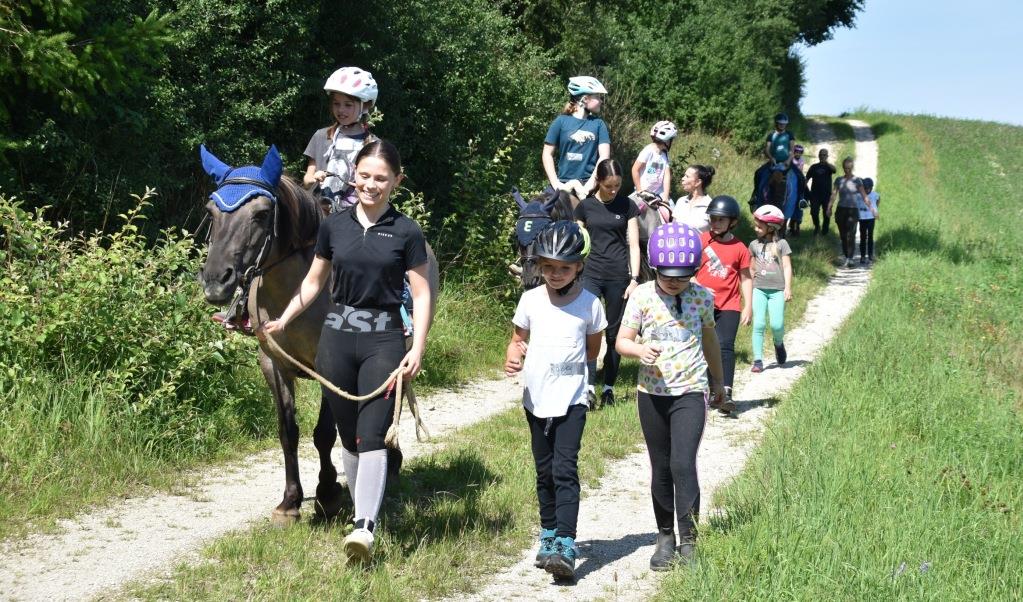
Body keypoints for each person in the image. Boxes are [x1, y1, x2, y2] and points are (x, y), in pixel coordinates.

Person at [260, 140, 432, 563]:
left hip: (383, 339)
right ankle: (361, 510)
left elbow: (422, 294)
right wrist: (284, 317)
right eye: (365, 175)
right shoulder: (333, 226)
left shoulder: (407, 231)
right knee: (349, 438)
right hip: (337, 340)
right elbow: (315, 282)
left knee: (372, 434)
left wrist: (418, 348)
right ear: (354, 174)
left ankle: (364, 527)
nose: (371, 185)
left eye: (381, 178)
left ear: (396, 181)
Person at [616, 222, 725, 569]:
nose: (674, 281)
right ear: (654, 268)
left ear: (694, 271)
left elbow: (710, 341)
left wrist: (719, 382)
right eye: (667, 275)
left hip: (691, 391)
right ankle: (665, 538)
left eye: (682, 275)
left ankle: (689, 541)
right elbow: (621, 342)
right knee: (660, 467)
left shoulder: (703, 297)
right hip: (652, 394)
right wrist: (639, 350)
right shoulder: (642, 296)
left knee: (682, 463)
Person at [505, 221, 606, 581]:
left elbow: (592, 350)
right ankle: (547, 533)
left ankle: (565, 542)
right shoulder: (530, 300)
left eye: (564, 267)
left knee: (565, 469)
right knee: (543, 470)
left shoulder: (590, 305)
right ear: (539, 266)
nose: (555, 274)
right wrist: (513, 356)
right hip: (535, 398)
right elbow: (518, 339)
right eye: (548, 267)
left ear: (579, 265)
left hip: (572, 399)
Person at [574, 159, 640, 408]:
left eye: (618, 185)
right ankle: (588, 386)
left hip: (618, 276)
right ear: (599, 182)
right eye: (609, 185)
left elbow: (633, 244)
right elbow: (575, 243)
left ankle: (609, 387)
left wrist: (634, 279)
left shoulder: (628, 206)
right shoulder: (585, 207)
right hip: (590, 274)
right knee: (588, 330)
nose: (613, 190)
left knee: (614, 334)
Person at [693, 195, 751, 414]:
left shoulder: (740, 248)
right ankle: (711, 390)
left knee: (725, 345)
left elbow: (746, 277)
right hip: (702, 305)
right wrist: (695, 283)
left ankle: (726, 392)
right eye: (713, 219)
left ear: (732, 222)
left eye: (720, 220)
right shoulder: (701, 241)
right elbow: (690, 269)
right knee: (705, 347)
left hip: (729, 305)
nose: (715, 223)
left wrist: (748, 306)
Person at [303, 66, 379, 214]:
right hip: (315, 215)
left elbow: (375, 186)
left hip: (350, 218)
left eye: (348, 105)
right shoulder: (321, 136)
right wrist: (313, 178)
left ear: (365, 106)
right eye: (336, 103)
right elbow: (307, 179)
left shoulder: (373, 145)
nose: (341, 110)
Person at [542, 76, 611, 206]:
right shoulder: (560, 122)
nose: (601, 101)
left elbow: (604, 156)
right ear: (585, 99)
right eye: (598, 97)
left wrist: (591, 184)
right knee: (538, 213)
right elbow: (547, 154)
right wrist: (556, 184)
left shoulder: (599, 124)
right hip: (563, 184)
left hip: (589, 185)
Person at [747, 205, 792, 373]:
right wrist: (749, 289)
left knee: (777, 324)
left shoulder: (781, 244)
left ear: (771, 227)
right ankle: (758, 360)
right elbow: (751, 269)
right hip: (759, 288)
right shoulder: (753, 245)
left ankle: (778, 343)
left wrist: (787, 287)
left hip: (777, 290)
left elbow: (786, 266)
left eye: (759, 226)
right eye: (756, 225)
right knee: (758, 324)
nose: (756, 228)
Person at [829, 157, 877, 267]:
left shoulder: (857, 181)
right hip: (841, 210)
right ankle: (847, 256)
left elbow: (865, 196)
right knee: (843, 235)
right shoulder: (839, 180)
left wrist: (872, 209)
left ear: (852, 168)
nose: (848, 171)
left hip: (853, 211)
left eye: (850, 168)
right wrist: (829, 207)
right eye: (846, 168)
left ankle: (850, 258)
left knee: (851, 234)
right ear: (843, 168)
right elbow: (834, 195)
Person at [631, 120, 676, 205]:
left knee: (672, 211)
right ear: (667, 141)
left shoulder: (664, 154)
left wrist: (666, 196)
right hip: (643, 191)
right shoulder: (648, 151)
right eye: (671, 140)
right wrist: (639, 190)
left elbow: (667, 176)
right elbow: (635, 169)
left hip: (659, 194)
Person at [671, 164, 716, 233]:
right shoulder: (681, 201)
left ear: (698, 182)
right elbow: (672, 228)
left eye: (687, 176)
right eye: (684, 175)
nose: (683, 178)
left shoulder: (711, 206)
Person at [805, 148, 836, 234]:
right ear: (818, 156)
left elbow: (835, 170)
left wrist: (827, 163)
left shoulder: (829, 167)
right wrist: (807, 191)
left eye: (824, 155)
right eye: (821, 155)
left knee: (827, 213)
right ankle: (817, 226)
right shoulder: (814, 167)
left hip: (826, 194)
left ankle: (825, 230)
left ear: (827, 156)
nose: (822, 156)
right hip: (815, 194)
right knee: (814, 212)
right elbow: (806, 179)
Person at [857, 177, 880, 264]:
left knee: (870, 236)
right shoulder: (859, 195)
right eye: (865, 188)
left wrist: (876, 209)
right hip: (862, 218)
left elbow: (878, 200)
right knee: (863, 237)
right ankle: (862, 256)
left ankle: (870, 255)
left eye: (868, 188)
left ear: (871, 187)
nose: (866, 190)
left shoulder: (874, 195)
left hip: (871, 218)